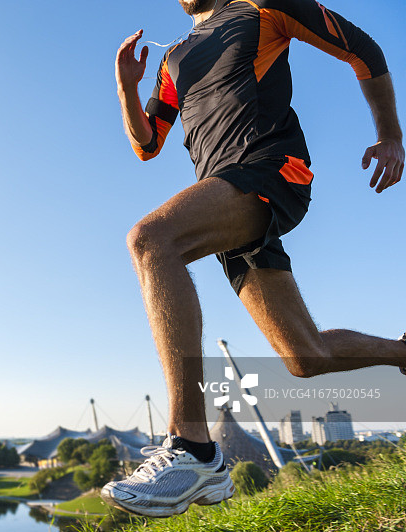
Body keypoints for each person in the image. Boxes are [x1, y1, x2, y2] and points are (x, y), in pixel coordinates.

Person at [100, 0, 405, 518]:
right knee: (304, 358)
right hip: (227, 198)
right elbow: (147, 144)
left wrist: (391, 136)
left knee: (152, 241)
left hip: (268, 168)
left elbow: (365, 51)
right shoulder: (174, 56)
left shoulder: (264, 7)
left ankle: (192, 449)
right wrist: (128, 88)